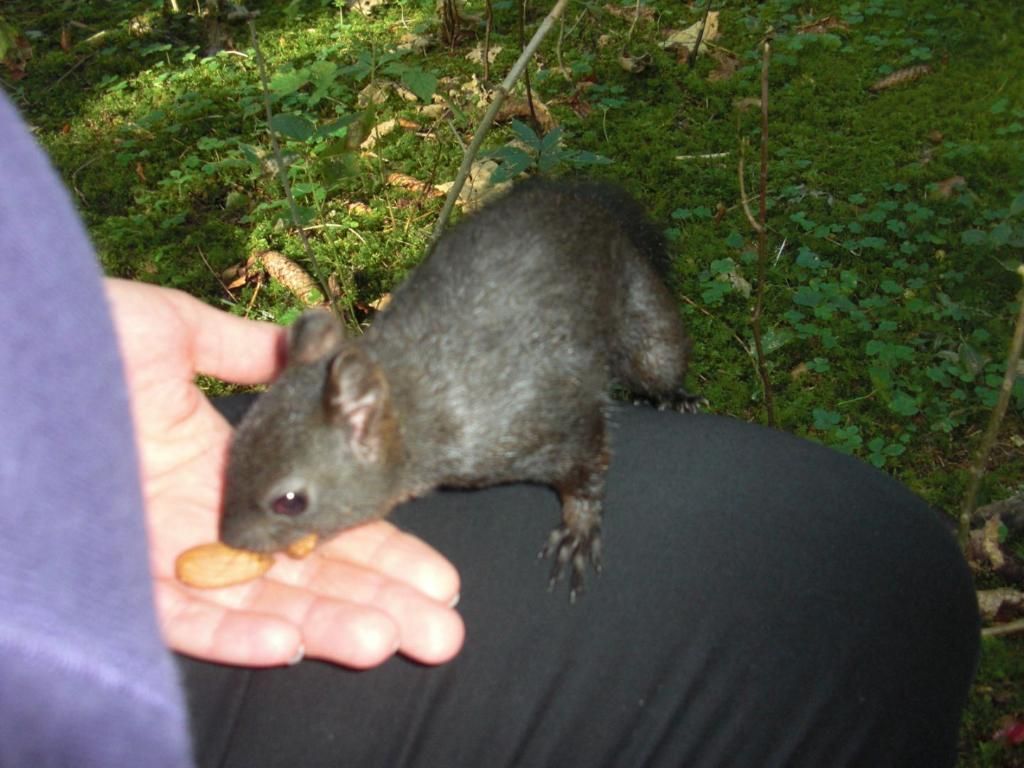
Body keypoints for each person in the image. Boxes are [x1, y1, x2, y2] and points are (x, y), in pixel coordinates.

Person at [0, 90, 979, 767]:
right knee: (868, 567)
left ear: (362, 421)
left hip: (580, 294)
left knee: (666, 375)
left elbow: (579, 437)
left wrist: (580, 513)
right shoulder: (366, 419)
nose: (250, 534)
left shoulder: (475, 438)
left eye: (285, 505)